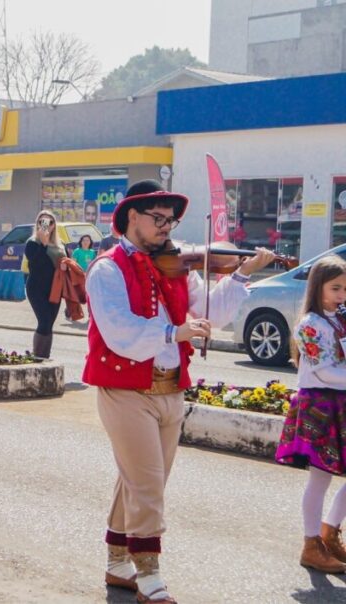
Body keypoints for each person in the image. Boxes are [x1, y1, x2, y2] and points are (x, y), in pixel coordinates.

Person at [83, 180, 274, 603]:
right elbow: (118, 332)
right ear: (132, 215)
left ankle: (118, 561)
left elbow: (211, 314)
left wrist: (241, 275)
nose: (167, 228)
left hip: (171, 388)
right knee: (148, 481)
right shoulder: (108, 268)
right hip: (125, 388)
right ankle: (148, 575)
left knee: (140, 479)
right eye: (159, 219)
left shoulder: (175, 266)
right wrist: (174, 331)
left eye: (171, 221)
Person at [275, 255, 346, 573]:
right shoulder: (310, 325)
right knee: (320, 479)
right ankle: (311, 544)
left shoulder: (339, 318)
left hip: (341, 401)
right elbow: (323, 371)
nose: (342, 295)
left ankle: (329, 532)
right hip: (320, 405)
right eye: (335, 288)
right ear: (318, 287)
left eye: (345, 289)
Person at [24, 210, 65, 358]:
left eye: (50, 222)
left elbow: (67, 263)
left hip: (55, 288)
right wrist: (44, 243)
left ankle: (45, 357)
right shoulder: (32, 242)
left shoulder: (60, 245)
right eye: (42, 222)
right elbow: (36, 262)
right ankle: (38, 356)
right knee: (44, 321)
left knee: (49, 324)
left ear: (54, 225)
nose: (46, 225)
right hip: (36, 287)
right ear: (37, 224)